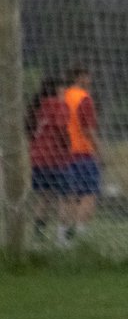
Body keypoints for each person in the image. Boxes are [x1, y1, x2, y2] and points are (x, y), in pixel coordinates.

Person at [24, 75, 73, 245]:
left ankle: (37, 237)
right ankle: (62, 238)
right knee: (64, 197)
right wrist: (67, 144)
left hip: (37, 158)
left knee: (43, 198)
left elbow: (30, 132)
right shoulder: (59, 105)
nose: (65, 91)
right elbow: (61, 128)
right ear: (56, 89)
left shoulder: (37, 106)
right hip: (56, 158)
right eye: (62, 87)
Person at [62, 65, 102, 239]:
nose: (90, 80)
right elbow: (88, 129)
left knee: (67, 195)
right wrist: (100, 149)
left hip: (63, 152)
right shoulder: (84, 98)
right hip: (83, 152)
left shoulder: (62, 96)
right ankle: (80, 234)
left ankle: (62, 236)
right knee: (89, 194)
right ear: (79, 77)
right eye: (87, 76)